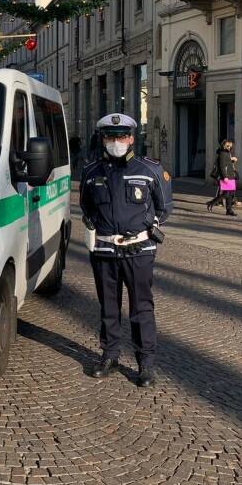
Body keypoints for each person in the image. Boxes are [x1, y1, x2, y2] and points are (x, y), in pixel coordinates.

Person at [80, 113, 173, 388]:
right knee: (108, 307)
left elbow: (164, 207)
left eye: (121, 136)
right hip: (105, 251)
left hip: (139, 251)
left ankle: (146, 364)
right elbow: (87, 207)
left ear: (132, 138)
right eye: (110, 137)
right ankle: (110, 355)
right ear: (103, 139)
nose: (116, 142)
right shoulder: (91, 171)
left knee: (141, 308)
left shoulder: (150, 170)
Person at [207, 139, 238, 216]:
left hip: (230, 175)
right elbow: (222, 166)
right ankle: (211, 203)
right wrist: (225, 177)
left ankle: (229, 210)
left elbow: (227, 162)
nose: (229, 147)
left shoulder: (227, 152)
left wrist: (232, 159)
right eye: (227, 146)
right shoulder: (222, 153)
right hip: (226, 176)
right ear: (223, 145)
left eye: (230, 146)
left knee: (230, 194)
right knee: (226, 194)